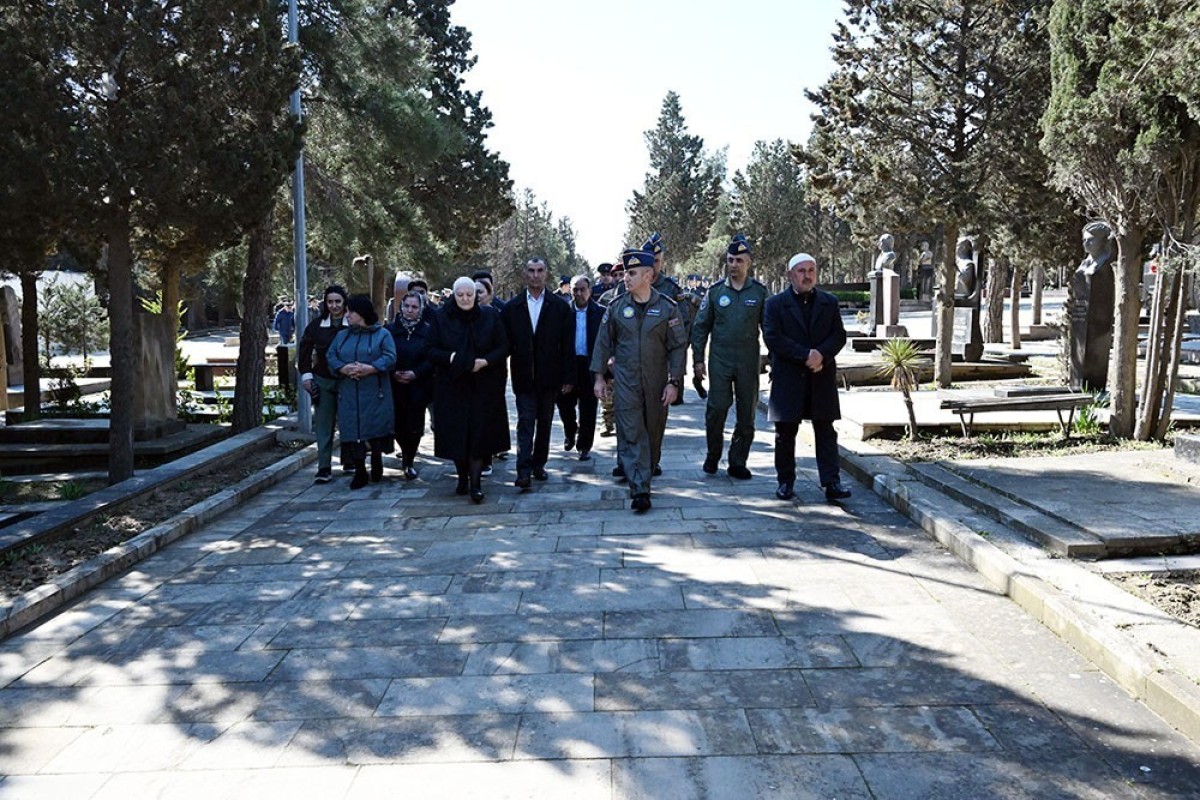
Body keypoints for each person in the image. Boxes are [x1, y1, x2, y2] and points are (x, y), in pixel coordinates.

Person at [591, 248, 687, 512]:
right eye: (626, 273)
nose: (626, 278)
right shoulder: (616, 308)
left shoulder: (668, 308)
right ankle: (640, 489)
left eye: (632, 273)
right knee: (632, 433)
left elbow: (678, 347)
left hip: (657, 383)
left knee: (653, 434)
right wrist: (599, 378)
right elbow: (602, 344)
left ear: (648, 275)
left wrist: (674, 382)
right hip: (626, 383)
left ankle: (647, 468)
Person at [762, 253, 851, 502]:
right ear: (790, 274)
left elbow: (838, 335)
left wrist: (821, 354)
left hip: (820, 376)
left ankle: (832, 482)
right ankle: (785, 482)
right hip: (789, 377)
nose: (807, 275)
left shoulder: (829, 302)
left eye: (811, 270)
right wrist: (806, 355)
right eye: (801, 271)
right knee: (785, 432)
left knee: (825, 430)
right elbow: (773, 337)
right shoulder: (775, 304)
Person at [691, 234, 768, 480]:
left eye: (739, 260)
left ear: (749, 263)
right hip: (720, 361)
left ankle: (737, 461)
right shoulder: (715, 293)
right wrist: (698, 360)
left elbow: (769, 328)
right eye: (730, 259)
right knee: (717, 409)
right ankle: (713, 455)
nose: (733, 264)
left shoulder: (759, 292)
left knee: (747, 414)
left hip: (747, 361)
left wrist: (776, 359)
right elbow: (701, 327)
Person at [428, 277, 510, 503]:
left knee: (477, 436)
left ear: (476, 295)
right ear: (453, 296)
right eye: (460, 295)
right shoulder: (441, 317)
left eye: (469, 295)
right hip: (452, 386)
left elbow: (503, 346)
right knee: (457, 436)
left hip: (482, 385)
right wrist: (452, 357)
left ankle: (476, 484)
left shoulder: (490, 316)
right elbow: (431, 350)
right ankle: (462, 476)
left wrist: (485, 361)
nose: (465, 299)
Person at [502, 257, 574, 489]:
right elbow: (505, 344)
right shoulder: (512, 308)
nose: (535, 275)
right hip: (523, 377)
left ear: (546, 273)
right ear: (525, 274)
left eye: (540, 270)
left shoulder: (559, 306)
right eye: (531, 270)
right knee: (525, 423)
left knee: (544, 423)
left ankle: (538, 464)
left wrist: (568, 377)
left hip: (550, 377)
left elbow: (567, 345)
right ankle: (522, 470)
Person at [326, 294, 397, 490]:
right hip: (349, 392)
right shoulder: (342, 336)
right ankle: (359, 470)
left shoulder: (382, 334)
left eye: (351, 312)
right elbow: (331, 355)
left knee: (373, 427)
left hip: (374, 391)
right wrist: (343, 368)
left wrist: (371, 368)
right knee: (352, 430)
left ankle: (376, 457)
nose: (347, 315)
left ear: (361, 314)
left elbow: (390, 356)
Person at [298, 285, 349, 483]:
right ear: (325, 304)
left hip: (348, 381)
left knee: (349, 423)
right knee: (324, 426)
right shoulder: (316, 326)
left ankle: (350, 461)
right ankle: (324, 467)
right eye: (330, 302)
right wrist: (306, 376)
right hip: (323, 380)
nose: (334, 305)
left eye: (338, 301)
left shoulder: (353, 323)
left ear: (344, 302)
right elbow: (304, 351)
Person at [556, 275, 605, 461]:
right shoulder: (563, 312)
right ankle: (570, 430)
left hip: (590, 366)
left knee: (588, 407)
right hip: (569, 365)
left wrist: (604, 372)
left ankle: (584, 445)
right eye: (575, 289)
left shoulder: (600, 312)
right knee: (564, 404)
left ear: (590, 291)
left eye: (582, 289)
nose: (578, 293)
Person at [389, 291, 435, 480]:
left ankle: (409, 459)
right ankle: (404, 452)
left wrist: (416, 373)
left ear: (421, 309)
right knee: (398, 423)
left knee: (415, 424)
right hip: (395, 383)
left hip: (419, 384)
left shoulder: (429, 331)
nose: (410, 310)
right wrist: (393, 372)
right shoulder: (390, 330)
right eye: (407, 306)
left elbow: (433, 357)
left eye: (414, 307)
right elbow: (384, 353)